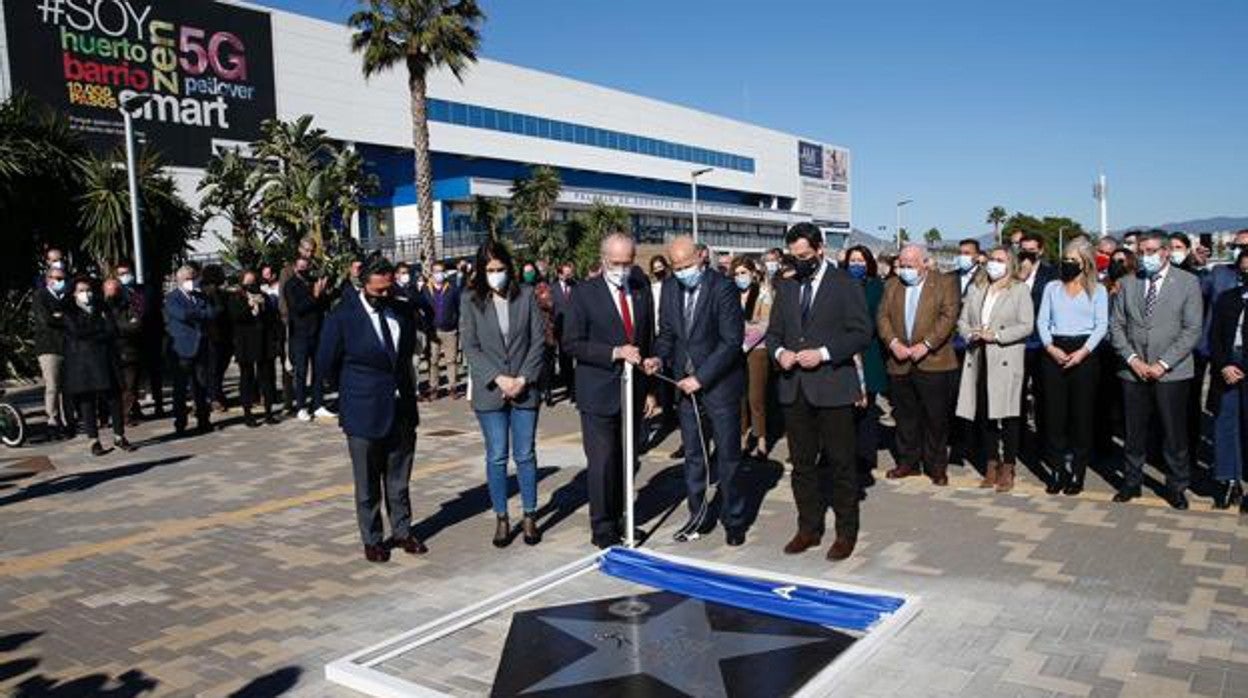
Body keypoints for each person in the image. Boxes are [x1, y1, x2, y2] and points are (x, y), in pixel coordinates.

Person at [766, 223, 870, 560]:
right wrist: (780, 353)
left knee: (841, 464)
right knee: (802, 465)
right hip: (795, 388)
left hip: (833, 387)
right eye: (794, 257)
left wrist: (823, 354)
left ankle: (846, 533)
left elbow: (861, 333)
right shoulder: (787, 286)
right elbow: (773, 333)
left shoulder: (844, 283)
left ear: (820, 249)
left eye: (805, 256)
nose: (799, 262)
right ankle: (808, 529)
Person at [317, 258, 425, 563]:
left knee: (399, 478)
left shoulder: (401, 310)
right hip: (362, 410)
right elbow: (326, 363)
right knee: (367, 482)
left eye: (388, 289)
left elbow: (406, 353)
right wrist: (353, 390)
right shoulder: (343, 316)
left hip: (400, 407)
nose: (384, 295)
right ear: (363, 285)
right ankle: (373, 538)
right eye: (378, 291)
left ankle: (403, 531)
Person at [647, 237, 746, 545]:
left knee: (728, 457)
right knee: (693, 456)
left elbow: (731, 341)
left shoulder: (723, 288)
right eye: (676, 268)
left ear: (701, 257)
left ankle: (734, 520)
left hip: (720, 387)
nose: (682, 273)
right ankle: (698, 517)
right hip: (684, 388)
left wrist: (701, 378)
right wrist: (658, 358)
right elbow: (667, 334)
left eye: (687, 266)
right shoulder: (670, 288)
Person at [564, 232, 656, 549]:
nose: (622, 269)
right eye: (616, 263)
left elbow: (647, 338)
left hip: (633, 390)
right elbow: (572, 343)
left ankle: (622, 519)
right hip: (598, 392)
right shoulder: (584, 293)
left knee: (628, 460)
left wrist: (650, 386)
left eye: (628, 262)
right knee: (603, 462)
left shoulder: (641, 289)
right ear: (604, 260)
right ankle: (602, 526)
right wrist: (614, 352)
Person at [460, 242, 547, 547]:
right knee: (497, 455)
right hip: (490, 390)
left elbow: (538, 340)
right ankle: (501, 517)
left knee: (525, 454)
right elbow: (470, 346)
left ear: (509, 268)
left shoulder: (526, 296)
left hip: (525, 387)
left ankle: (530, 515)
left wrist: (522, 378)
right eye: (490, 270)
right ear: (481, 271)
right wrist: (498, 379)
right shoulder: (470, 300)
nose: (496, 274)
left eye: (500, 269)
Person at [1109, 231, 1203, 509]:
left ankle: (1176, 486)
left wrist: (1162, 364)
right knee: (1134, 431)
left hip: (1172, 372)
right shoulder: (1128, 283)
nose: (1144, 257)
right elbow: (1116, 326)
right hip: (1133, 370)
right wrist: (1133, 359)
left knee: (1173, 432)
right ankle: (1131, 482)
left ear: (1165, 252)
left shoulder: (1187, 282)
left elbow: (1192, 329)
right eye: (1140, 252)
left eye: (1150, 251)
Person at [878, 244, 961, 485]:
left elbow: (948, 317)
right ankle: (908, 462)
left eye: (910, 265)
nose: (905, 270)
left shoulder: (945, 283)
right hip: (900, 361)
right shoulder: (892, 285)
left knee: (935, 418)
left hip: (934, 362)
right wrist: (893, 343)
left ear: (925, 263)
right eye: (902, 265)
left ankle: (936, 466)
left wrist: (926, 344)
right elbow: (882, 316)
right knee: (905, 417)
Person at [1036, 240, 1108, 495]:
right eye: (1065, 259)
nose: (1067, 264)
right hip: (1054, 351)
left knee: (1081, 416)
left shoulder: (1098, 290)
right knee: (1054, 416)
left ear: (1085, 263)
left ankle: (1078, 471)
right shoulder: (1052, 288)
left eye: (1073, 260)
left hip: (1084, 354)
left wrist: (1083, 353)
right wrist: (1050, 346)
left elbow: (1101, 325)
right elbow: (1042, 320)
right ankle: (1057, 470)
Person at [63, 278, 135, 455]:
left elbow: (112, 329)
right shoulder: (69, 310)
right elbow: (77, 332)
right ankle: (94, 440)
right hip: (83, 362)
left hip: (106, 359)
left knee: (114, 398)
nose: (86, 294)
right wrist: (99, 330)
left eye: (88, 290)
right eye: (81, 290)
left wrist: (98, 331)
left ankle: (119, 436)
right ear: (74, 293)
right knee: (87, 401)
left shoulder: (102, 306)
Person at [1206, 248, 1248, 513]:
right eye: (1243, 270)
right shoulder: (1228, 298)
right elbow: (1215, 335)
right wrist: (1224, 364)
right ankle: (1228, 481)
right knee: (1225, 424)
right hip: (1227, 367)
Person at [844, 246, 887, 496]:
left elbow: (879, 316)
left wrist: (860, 335)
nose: (856, 264)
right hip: (843, 353)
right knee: (843, 410)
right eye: (853, 260)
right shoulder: (839, 284)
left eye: (860, 261)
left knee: (867, 409)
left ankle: (865, 456)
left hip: (868, 352)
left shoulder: (876, 287)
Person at [165, 265, 217, 435]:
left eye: (193, 278)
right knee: (180, 388)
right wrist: (199, 313)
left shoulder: (200, 296)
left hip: (201, 346)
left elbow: (211, 313)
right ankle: (180, 421)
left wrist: (197, 313)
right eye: (187, 279)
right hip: (182, 348)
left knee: (201, 385)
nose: (191, 282)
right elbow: (182, 315)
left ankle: (203, 419)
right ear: (179, 280)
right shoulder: (172, 298)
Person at [228, 270, 281, 427]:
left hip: (264, 342)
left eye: (254, 282)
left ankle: (268, 412)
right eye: (248, 282)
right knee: (247, 378)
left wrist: (263, 305)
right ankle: (248, 413)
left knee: (267, 378)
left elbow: (272, 317)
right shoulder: (235, 298)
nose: (252, 285)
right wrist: (249, 306)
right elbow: (235, 317)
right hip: (246, 342)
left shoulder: (263, 296)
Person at [284, 256, 333, 421]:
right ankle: (301, 406)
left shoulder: (313, 281)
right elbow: (297, 308)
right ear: (295, 267)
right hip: (300, 334)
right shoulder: (291, 285)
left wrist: (324, 292)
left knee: (318, 370)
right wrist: (315, 296)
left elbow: (324, 305)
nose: (304, 270)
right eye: (301, 267)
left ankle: (318, 404)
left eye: (306, 267)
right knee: (301, 371)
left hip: (317, 331)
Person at [734, 256, 772, 459]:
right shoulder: (731, 294)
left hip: (757, 350)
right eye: (737, 274)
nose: (740, 277)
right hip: (735, 351)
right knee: (739, 397)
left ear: (752, 273)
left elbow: (764, 324)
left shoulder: (763, 293)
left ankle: (761, 440)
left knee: (756, 398)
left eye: (744, 273)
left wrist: (745, 343)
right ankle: (742, 438)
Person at [32, 265, 69, 439]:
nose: (61, 282)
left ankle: (67, 420)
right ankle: (52, 420)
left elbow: (70, 318)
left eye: (63, 279)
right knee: (53, 385)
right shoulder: (40, 296)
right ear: (48, 280)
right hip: (48, 347)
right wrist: (63, 319)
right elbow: (46, 320)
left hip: (66, 346)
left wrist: (60, 316)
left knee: (66, 386)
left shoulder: (66, 297)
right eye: (57, 279)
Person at [102, 277, 143, 427]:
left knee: (130, 386)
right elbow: (101, 328)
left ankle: (125, 415)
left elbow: (136, 325)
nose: (112, 295)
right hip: (109, 352)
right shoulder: (101, 308)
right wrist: (123, 326)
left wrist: (117, 327)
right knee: (112, 387)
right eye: (109, 291)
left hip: (129, 351)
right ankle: (107, 416)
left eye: (116, 291)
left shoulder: (129, 305)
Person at [422, 261, 463, 400]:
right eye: (436, 271)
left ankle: (452, 387)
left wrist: (455, 323)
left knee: (451, 361)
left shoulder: (452, 288)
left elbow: (458, 307)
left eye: (441, 271)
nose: (439, 274)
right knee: (433, 361)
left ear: (445, 273)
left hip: (450, 331)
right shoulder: (425, 289)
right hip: (433, 331)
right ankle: (434, 387)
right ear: (431, 273)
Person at [200, 265, 233, 412]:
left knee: (218, 368)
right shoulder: (208, 293)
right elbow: (218, 310)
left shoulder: (219, 292)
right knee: (213, 369)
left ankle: (216, 394)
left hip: (222, 335)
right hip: (213, 335)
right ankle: (214, 397)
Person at [551, 263, 577, 403]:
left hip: (575, 330)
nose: (568, 276)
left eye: (570, 274)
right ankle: (568, 387)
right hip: (560, 330)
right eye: (566, 274)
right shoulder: (552, 289)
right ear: (559, 274)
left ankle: (574, 390)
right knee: (564, 361)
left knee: (575, 361)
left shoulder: (576, 286)